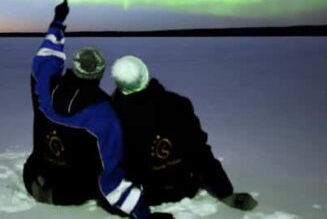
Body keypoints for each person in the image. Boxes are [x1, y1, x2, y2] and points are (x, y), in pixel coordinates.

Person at [23, 0, 173, 219]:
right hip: (72, 192)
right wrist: (144, 214)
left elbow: (46, 58)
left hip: (36, 175)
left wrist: (58, 20)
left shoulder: (44, 86)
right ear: (101, 73)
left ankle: (46, 180)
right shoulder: (104, 114)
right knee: (116, 162)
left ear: (74, 67)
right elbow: (110, 180)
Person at [111, 55, 258, 211]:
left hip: (147, 194)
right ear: (146, 76)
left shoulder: (112, 115)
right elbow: (201, 152)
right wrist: (226, 192)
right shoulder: (178, 103)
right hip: (183, 188)